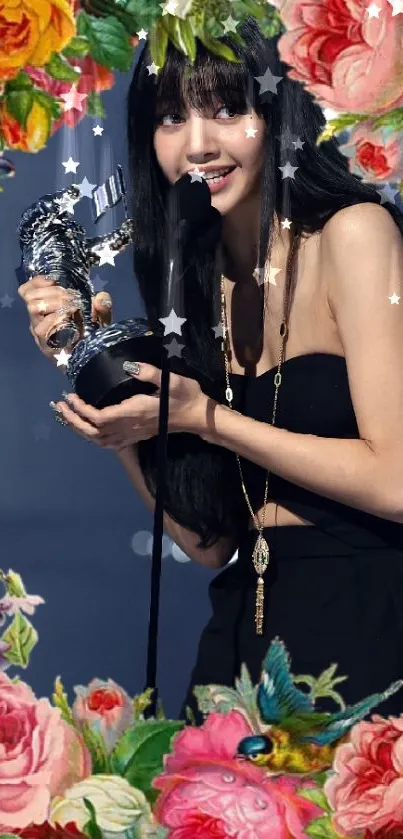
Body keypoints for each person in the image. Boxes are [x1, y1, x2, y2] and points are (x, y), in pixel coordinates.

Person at [18, 18, 403, 725]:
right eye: (170, 117)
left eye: (227, 108)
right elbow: (207, 542)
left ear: (275, 111)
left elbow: (395, 480)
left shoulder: (352, 234)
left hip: (369, 624)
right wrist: (99, 378)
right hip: (240, 640)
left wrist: (208, 418)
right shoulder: (192, 273)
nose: (197, 142)